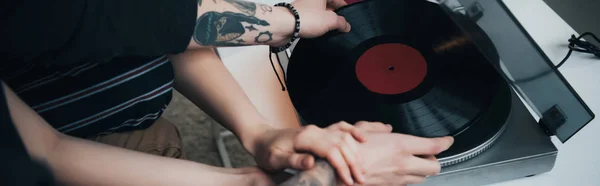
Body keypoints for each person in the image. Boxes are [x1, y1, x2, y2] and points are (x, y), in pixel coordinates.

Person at [1, 0, 454, 185]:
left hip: (136, 126)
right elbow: (46, 152)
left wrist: (258, 133)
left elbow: (152, 24)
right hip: (86, 152)